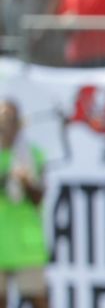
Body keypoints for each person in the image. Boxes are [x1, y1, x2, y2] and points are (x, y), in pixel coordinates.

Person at [0, 100, 49, 308]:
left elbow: (39, 197)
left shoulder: (33, 154)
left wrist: (26, 182)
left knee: (38, 299)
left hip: (27, 243)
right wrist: (7, 178)